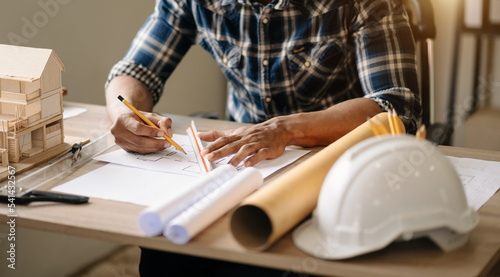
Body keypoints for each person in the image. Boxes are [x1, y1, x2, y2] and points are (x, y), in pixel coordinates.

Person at [105, 0, 421, 275]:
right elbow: (135, 69)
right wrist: (124, 115)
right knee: (165, 254)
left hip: (334, 160)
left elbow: (395, 106)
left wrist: (284, 130)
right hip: (241, 160)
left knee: (261, 257)